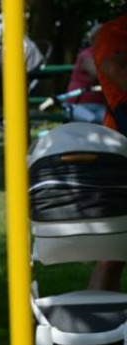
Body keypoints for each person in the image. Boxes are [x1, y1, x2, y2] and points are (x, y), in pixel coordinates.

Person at [87, 11, 127, 292]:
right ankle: (98, 314)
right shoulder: (113, 34)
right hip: (120, 151)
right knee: (112, 251)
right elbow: (118, 73)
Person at [66, 25, 107, 124]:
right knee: (92, 121)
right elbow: (98, 74)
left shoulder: (110, 56)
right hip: (78, 104)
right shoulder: (87, 55)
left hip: (100, 105)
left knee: (114, 123)